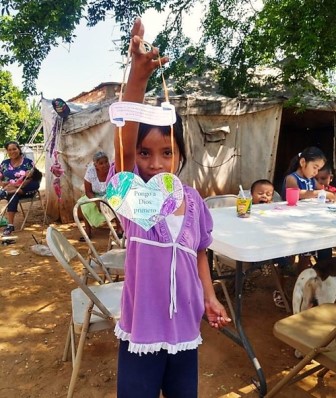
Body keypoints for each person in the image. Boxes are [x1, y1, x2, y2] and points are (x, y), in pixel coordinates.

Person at [107, 17, 231, 398]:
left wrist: (209, 298)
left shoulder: (193, 201)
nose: (155, 163)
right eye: (145, 153)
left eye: (166, 152)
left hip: (185, 331)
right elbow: (124, 145)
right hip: (142, 329)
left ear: (180, 154)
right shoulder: (133, 198)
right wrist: (138, 80)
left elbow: (199, 253)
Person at [283, 146, 334, 271]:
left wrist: (325, 194)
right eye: (315, 167)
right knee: (296, 257)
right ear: (303, 162)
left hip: (309, 222)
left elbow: (322, 190)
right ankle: (289, 277)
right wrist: (318, 193)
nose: (316, 172)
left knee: (320, 248)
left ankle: (320, 271)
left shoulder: (311, 180)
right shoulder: (292, 178)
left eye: (318, 169)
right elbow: (297, 193)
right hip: (293, 223)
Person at [250, 179, 294, 309]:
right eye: (260, 193)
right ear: (251, 195)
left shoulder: (272, 208)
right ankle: (268, 264)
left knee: (284, 248)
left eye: (268, 194)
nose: (264, 196)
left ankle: (283, 266)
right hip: (254, 245)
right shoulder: (247, 207)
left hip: (270, 243)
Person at [0, 141, 42, 236]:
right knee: (8, 194)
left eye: (14, 149)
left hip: (25, 189)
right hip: (8, 189)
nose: (12, 151)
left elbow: (32, 178)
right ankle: (10, 225)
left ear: (19, 149)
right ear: (7, 151)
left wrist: (15, 186)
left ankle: (10, 225)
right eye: (9, 150)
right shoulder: (4, 163)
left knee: (12, 194)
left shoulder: (28, 162)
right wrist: (2, 183)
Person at [77, 151, 111, 240]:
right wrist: (97, 202)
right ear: (96, 165)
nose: (105, 165)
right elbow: (88, 191)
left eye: (106, 162)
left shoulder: (112, 170)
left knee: (118, 202)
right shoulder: (90, 172)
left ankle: (119, 229)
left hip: (110, 194)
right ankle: (88, 231)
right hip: (95, 195)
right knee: (83, 203)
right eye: (101, 163)